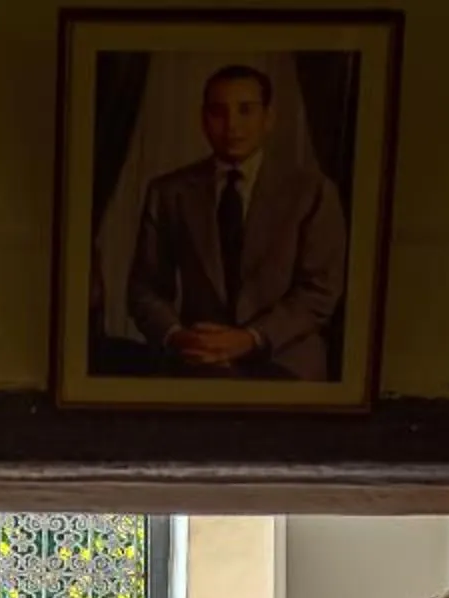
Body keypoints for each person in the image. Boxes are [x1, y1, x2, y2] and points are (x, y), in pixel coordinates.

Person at [125, 63, 346, 380]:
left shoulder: (312, 191)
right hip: (198, 362)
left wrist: (249, 339)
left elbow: (320, 291)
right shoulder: (168, 192)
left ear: (268, 118)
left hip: (286, 364)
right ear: (203, 120)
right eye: (218, 112)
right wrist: (177, 336)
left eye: (246, 110)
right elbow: (144, 288)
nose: (231, 125)